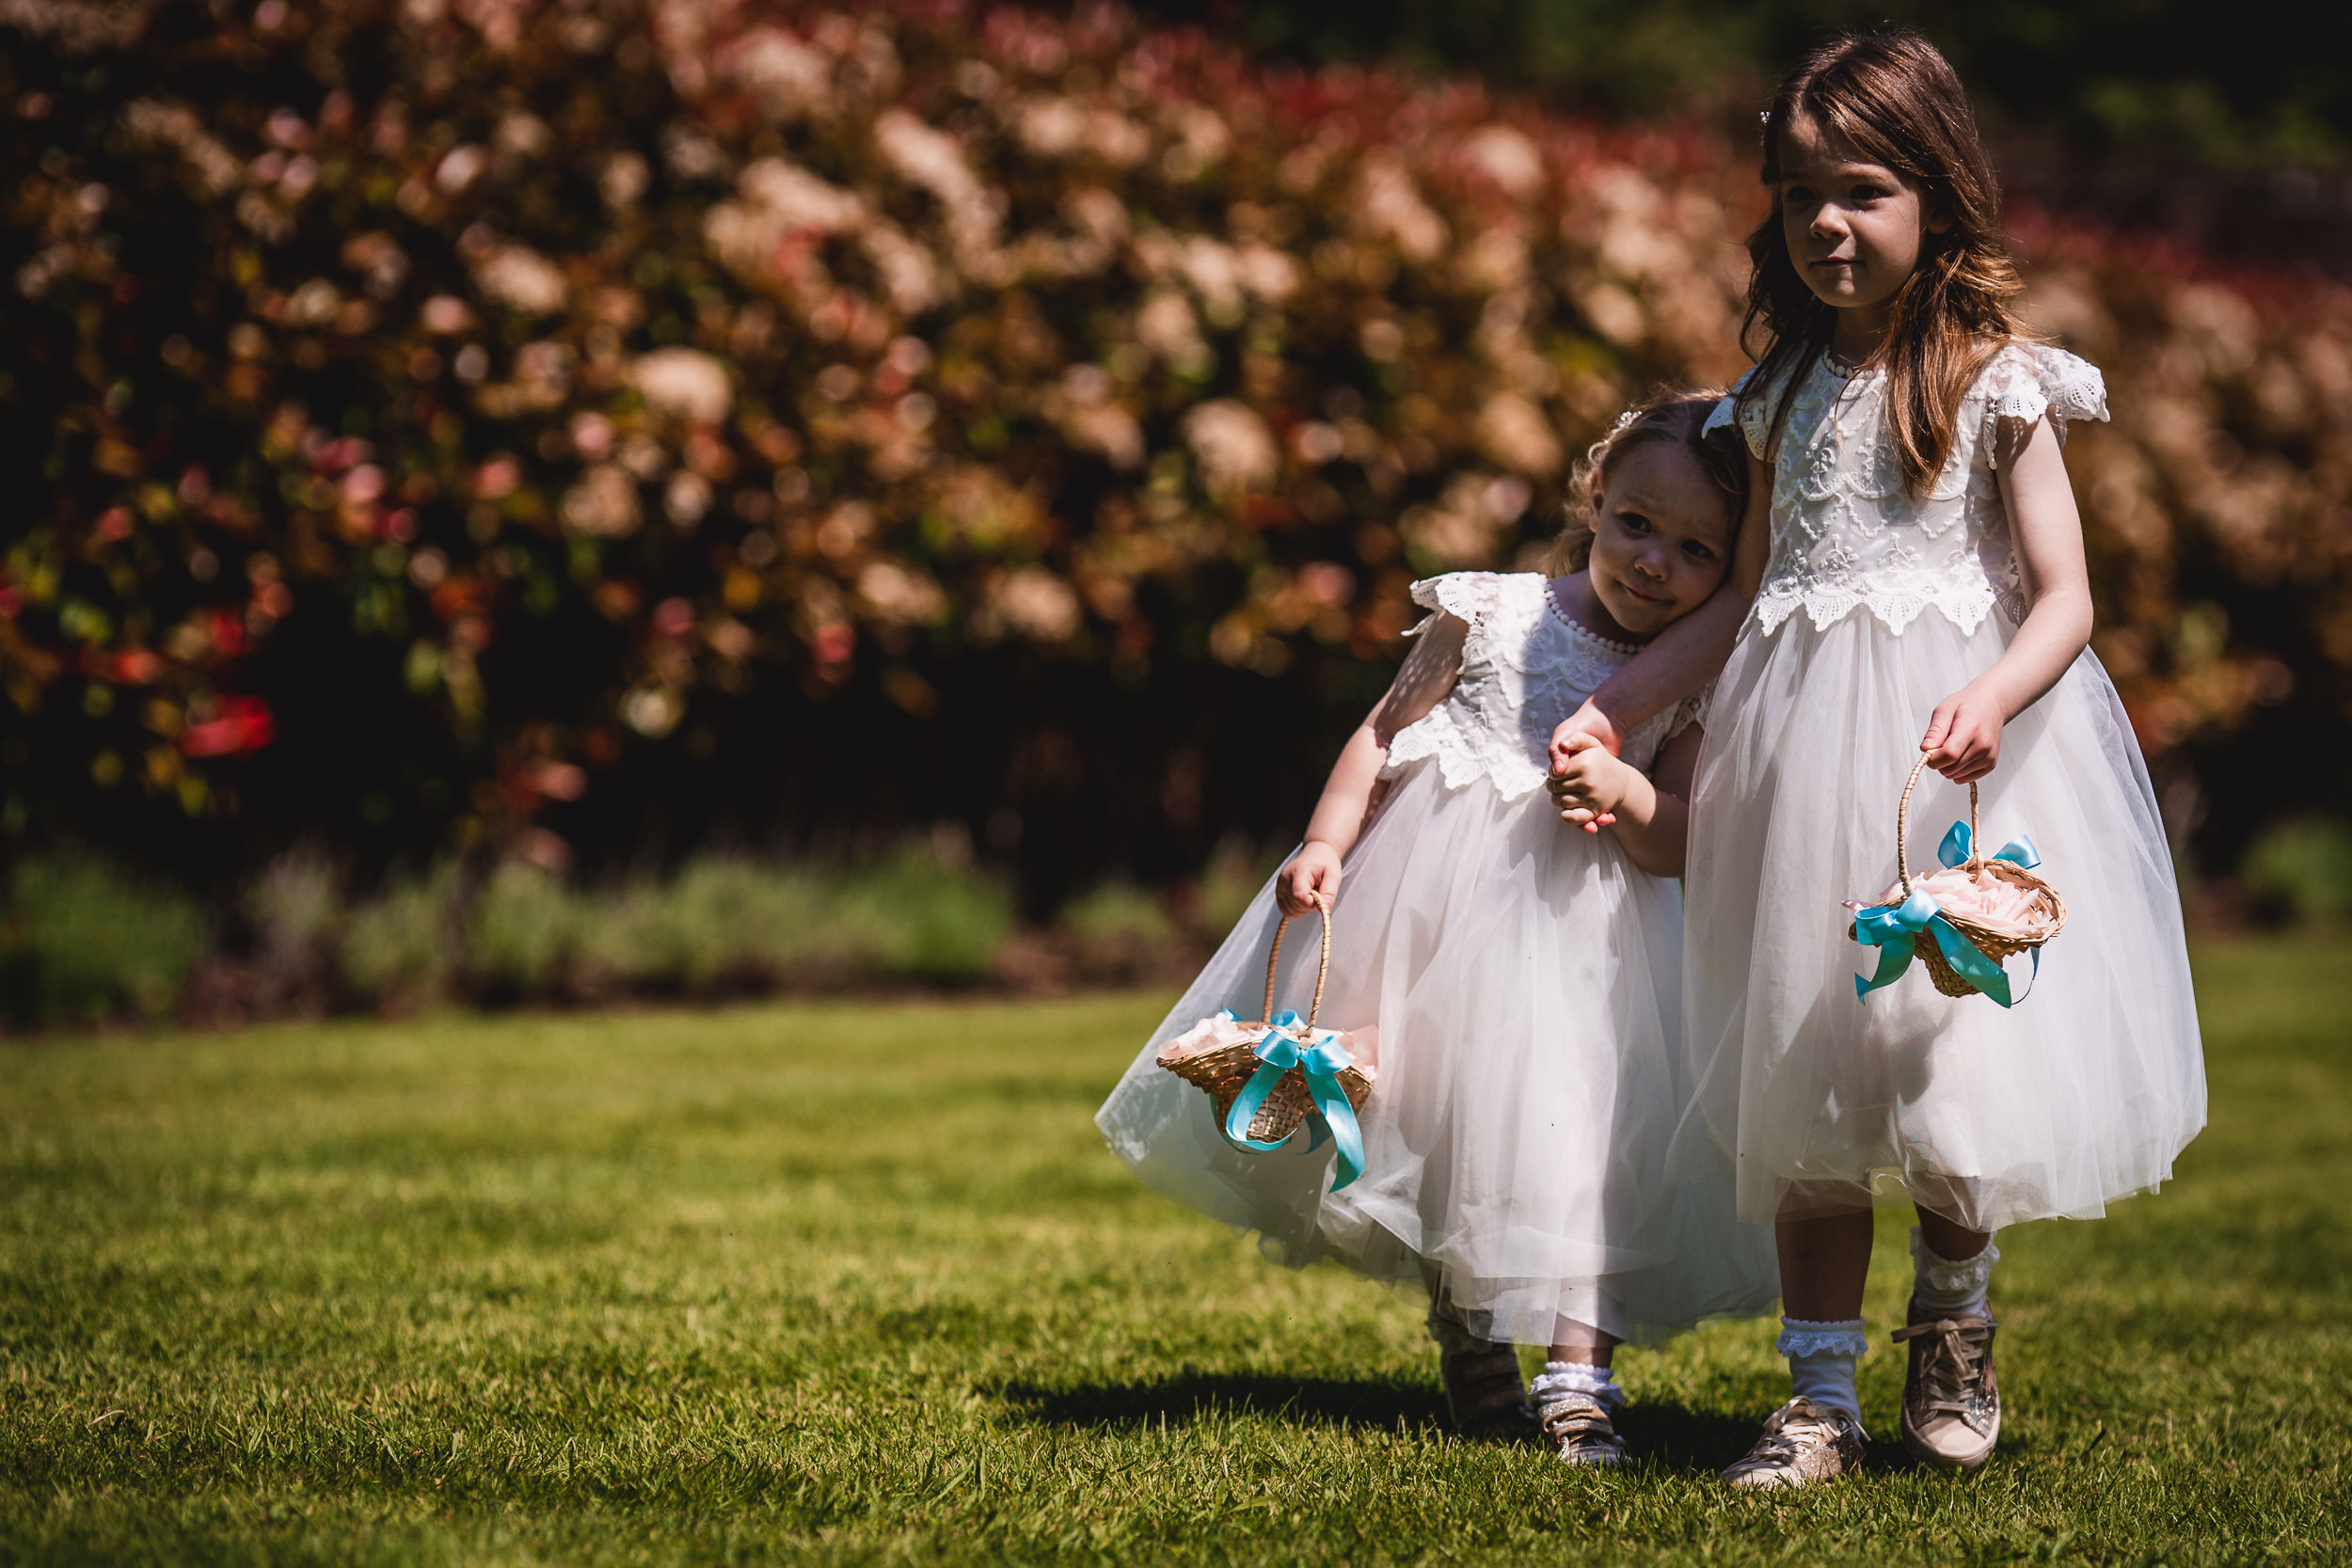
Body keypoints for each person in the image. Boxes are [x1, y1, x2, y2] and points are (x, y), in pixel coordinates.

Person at [1544, 32, 2206, 1487]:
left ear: (1938, 194)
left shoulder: (1994, 379)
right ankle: (1818, 1394)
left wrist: (1996, 690)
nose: (1827, 224)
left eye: (1862, 190)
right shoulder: (1772, 395)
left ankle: (1953, 1319)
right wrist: (1619, 700)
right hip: (1792, 768)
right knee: (1810, 1082)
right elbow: (1738, 593)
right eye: (1799, 196)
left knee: (1946, 1067)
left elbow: (2067, 594)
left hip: (1950, 762)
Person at [1096, 391, 1779, 1468]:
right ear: (1595, 502)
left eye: (1696, 550)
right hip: (1434, 917)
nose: (1654, 563)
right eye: (1636, 524)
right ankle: (1470, 1331)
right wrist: (1325, 839)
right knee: (1442, 1126)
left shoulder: (1691, 682)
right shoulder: (1494, 613)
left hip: (1594, 949)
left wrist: (1630, 792)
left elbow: (1679, 841)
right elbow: (1382, 732)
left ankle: (1575, 1378)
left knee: (1584, 1145)